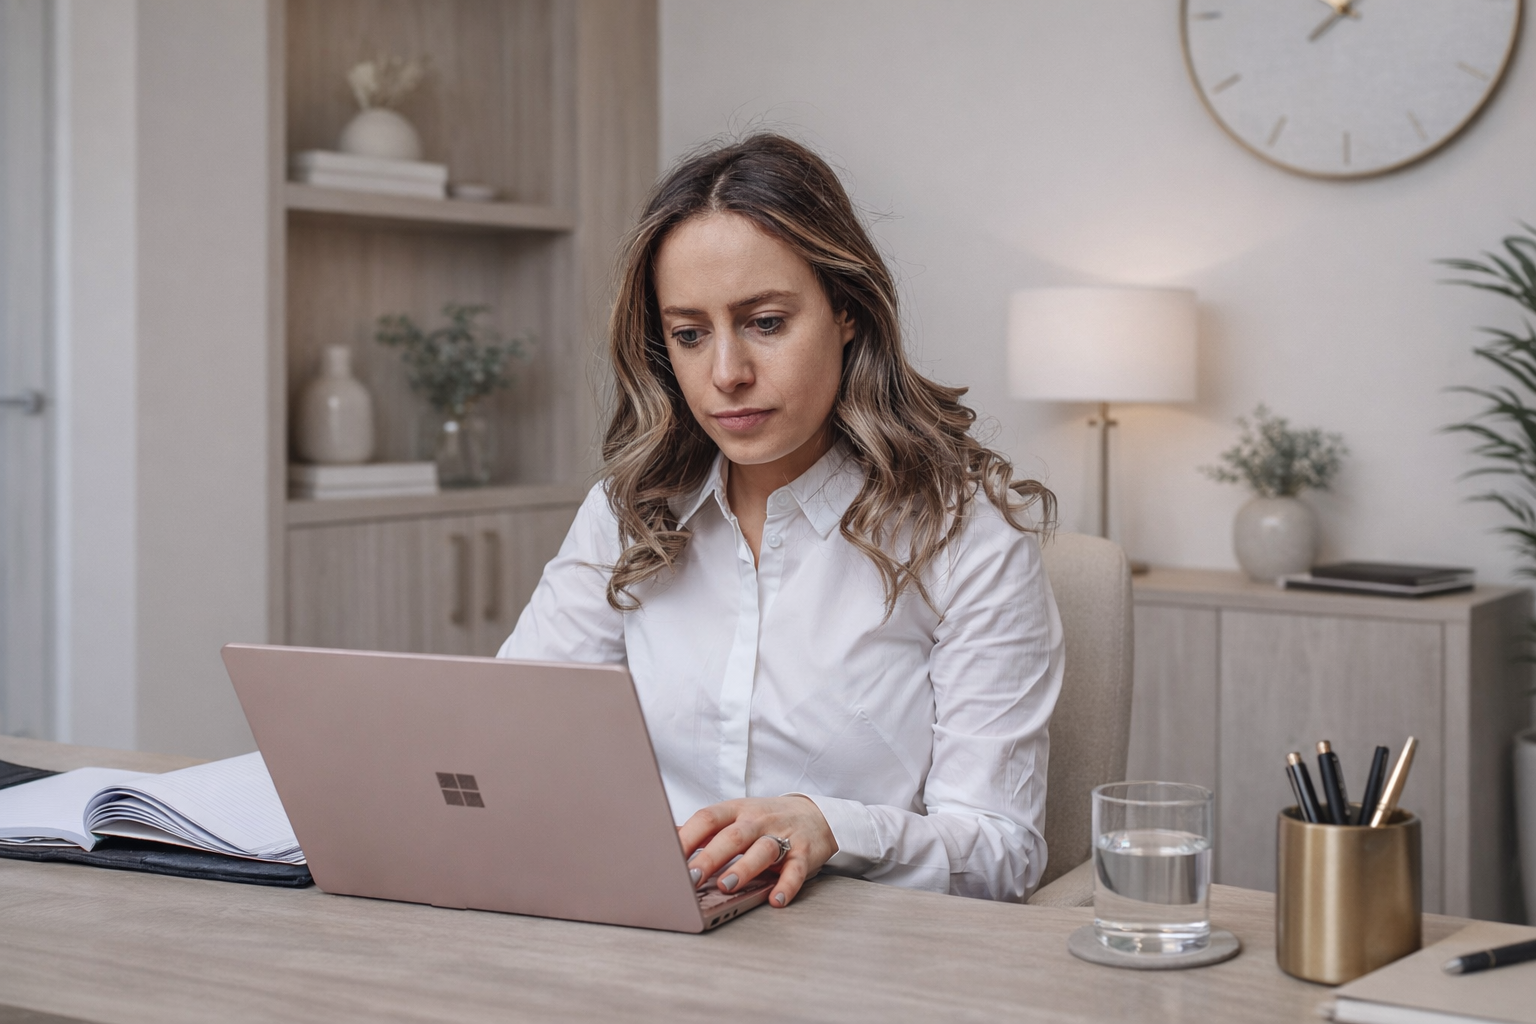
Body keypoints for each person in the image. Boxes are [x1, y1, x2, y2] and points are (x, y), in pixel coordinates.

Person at [500, 134, 1062, 909]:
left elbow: (1001, 851)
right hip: (640, 932)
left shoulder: (965, 536)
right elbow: (507, 736)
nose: (726, 373)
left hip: (862, 961)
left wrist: (835, 828)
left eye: (764, 322)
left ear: (846, 312)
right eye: (690, 335)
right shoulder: (630, 511)